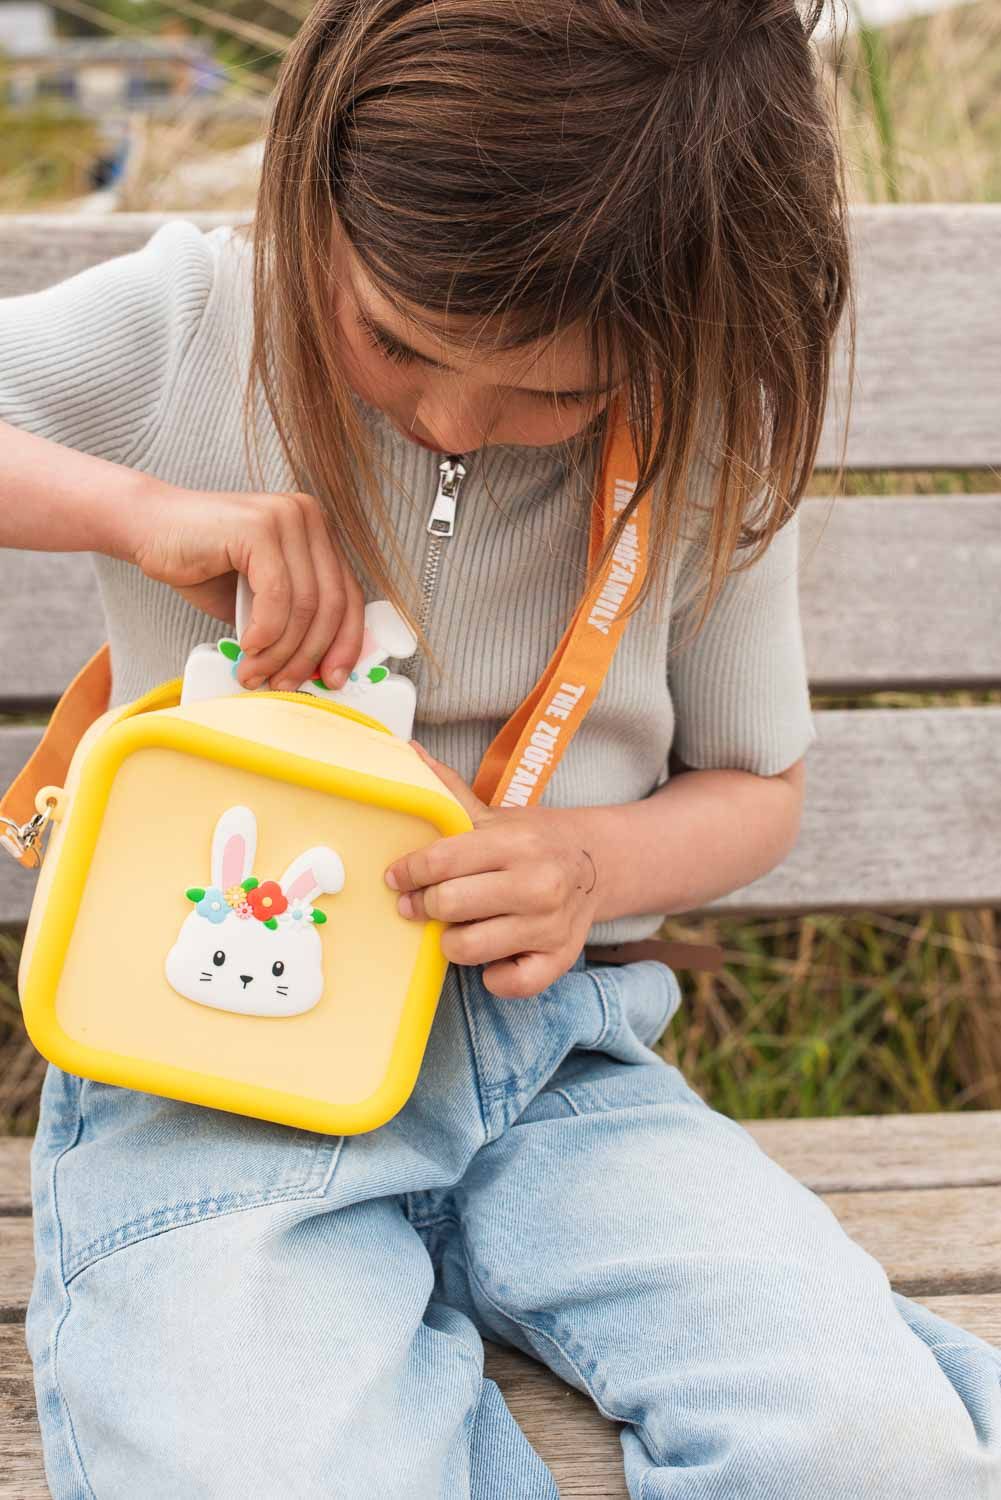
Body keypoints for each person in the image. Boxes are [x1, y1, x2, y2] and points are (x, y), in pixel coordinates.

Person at [2, 2, 998, 1495]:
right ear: (316, 192)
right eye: (394, 341)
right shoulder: (192, 320)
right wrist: (138, 511)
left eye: (554, 392)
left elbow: (754, 790)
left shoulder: (702, 422)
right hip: (208, 1073)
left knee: (872, 1451)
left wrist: (595, 859)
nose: (456, 418)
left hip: (559, 1078)